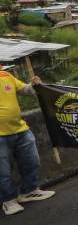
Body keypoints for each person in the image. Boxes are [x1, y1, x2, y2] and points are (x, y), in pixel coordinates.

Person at [1, 71, 55, 216]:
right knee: (2, 172)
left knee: (31, 161)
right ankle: (8, 201)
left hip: (20, 129)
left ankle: (29, 191)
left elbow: (25, 90)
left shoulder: (6, 75)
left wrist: (34, 85)